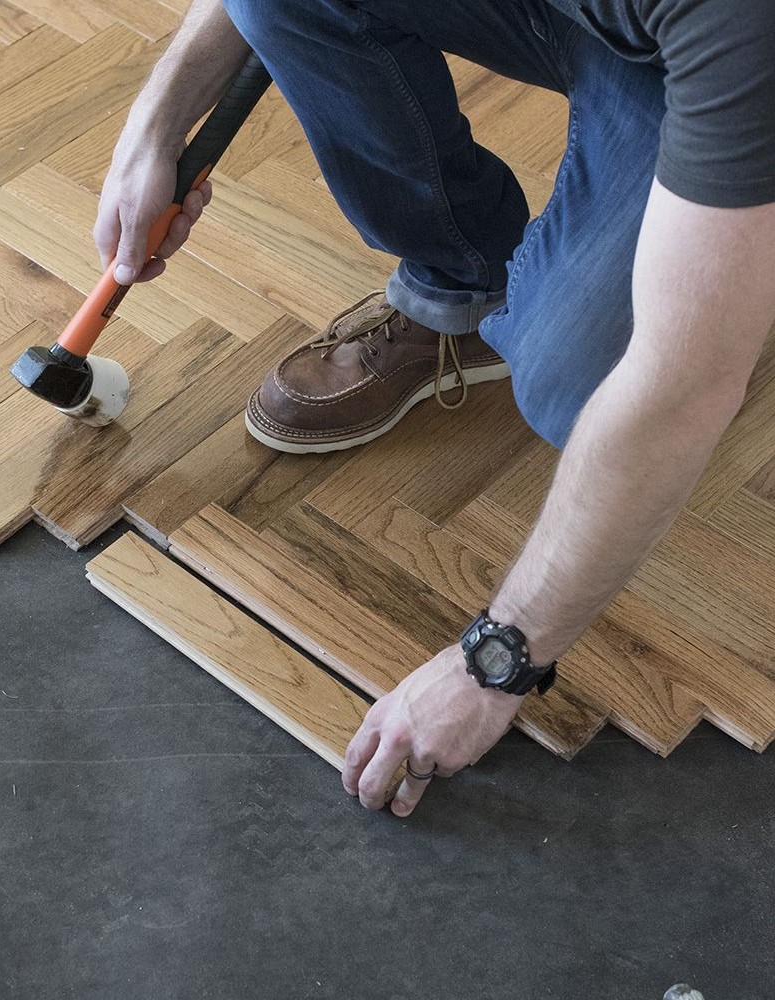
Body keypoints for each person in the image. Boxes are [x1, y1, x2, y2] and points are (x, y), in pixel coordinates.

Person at [94, 0, 775, 818]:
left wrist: (494, 663)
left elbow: (681, 391)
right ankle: (465, 276)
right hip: (628, 30)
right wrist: (154, 128)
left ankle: (736, 234)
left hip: (725, 57)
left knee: (582, 377)